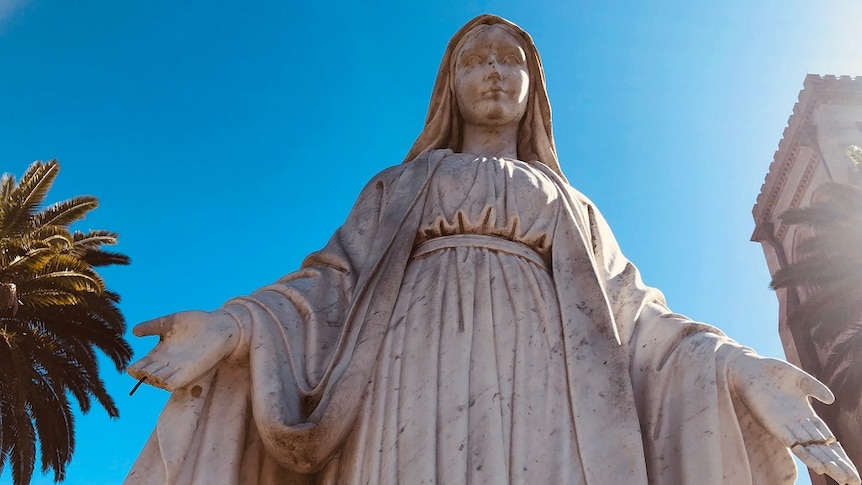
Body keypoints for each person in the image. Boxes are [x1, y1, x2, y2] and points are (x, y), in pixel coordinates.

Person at [126, 14, 860, 485]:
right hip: (408, 375)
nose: (494, 74)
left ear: (533, 86)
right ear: (451, 83)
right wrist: (236, 326)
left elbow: (637, 320)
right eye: (475, 61)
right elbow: (331, 286)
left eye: (511, 62)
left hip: (551, 385)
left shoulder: (572, 205)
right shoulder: (402, 183)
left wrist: (740, 367)